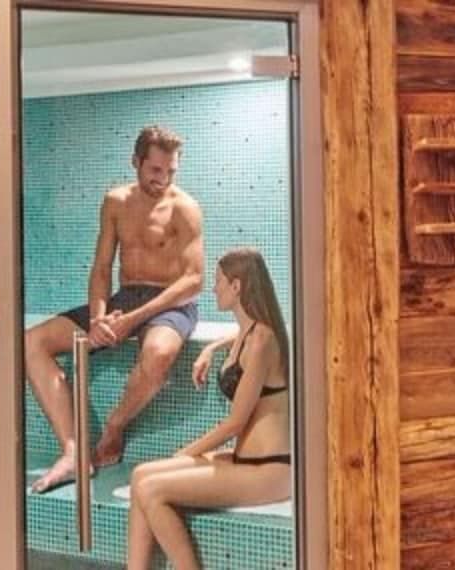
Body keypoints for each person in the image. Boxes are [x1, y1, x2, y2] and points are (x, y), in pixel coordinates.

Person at [27, 125, 204, 494]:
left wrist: (132, 321)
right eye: (155, 170)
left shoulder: (184, 208)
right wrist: (99, 319)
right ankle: (73, 452)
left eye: (171, 171)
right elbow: (102, 267)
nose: (163, 179)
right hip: (126, 298)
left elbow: (193, 280)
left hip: (170, 301)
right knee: (31, 342)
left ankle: (115, 426)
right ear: (135, 162)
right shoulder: (115, 202)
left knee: (158, 354)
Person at [127, 248, 291, 570]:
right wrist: (211, 349)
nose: (213, 289)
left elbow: (235, 423)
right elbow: (238, 337)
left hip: (270, 470)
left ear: (237, 286)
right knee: (139, 474)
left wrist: (183, 454)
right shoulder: (248, 331)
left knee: (151, 489)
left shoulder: (263, 339)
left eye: (218, 282)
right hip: (245, 460)